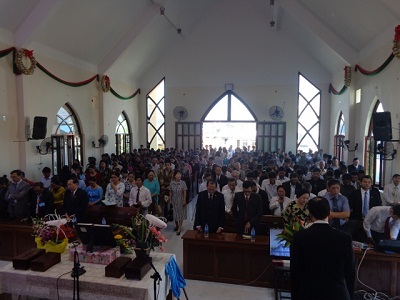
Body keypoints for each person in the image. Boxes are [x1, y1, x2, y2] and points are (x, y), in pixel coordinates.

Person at [291, 197, 355, 300]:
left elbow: (295, 271)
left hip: (308, 294)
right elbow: (350, 272)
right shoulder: (344, 238)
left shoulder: (299, 237)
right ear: (329, 214)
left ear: (310, 214)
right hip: (337, 293)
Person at [169, 170, 188, 235]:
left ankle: (179, 228)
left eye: (180, 174)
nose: (179, 175)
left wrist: (184, 200)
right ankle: (176, 225)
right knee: (175, 214)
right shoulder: (171, 183)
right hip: (174, 200)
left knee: (181, 214)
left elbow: (185, 191)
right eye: (177, 174)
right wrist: (170, 199)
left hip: (181, 199)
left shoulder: (183, 183)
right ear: (174, 176)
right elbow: (170, 191)